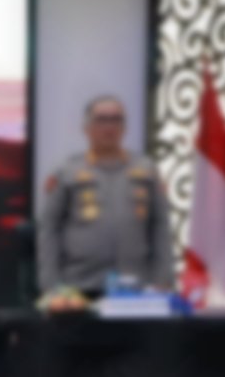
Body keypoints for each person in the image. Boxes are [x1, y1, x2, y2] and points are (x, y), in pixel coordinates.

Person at [38, 95, 174, 297]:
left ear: (124, 128)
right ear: (86, 128)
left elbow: (161, 226)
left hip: (136, 287)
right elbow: (49, 228)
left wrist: (163, 279)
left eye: (116, 119)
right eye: (102, 120)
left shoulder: (146, 170)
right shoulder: (67, 172)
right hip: (78, 287)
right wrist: (51, 285)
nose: (110, 127)